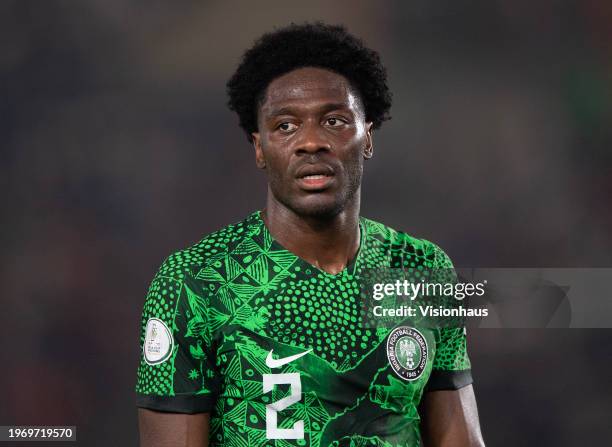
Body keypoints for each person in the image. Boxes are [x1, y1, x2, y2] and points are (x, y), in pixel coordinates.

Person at [136, 22, 485, 447]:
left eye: (334, 120)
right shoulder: (195, 281)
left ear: (367, 136)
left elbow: (459, 437)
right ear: (260, 147)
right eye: (285, 126)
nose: (311, 142)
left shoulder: (422, 269)